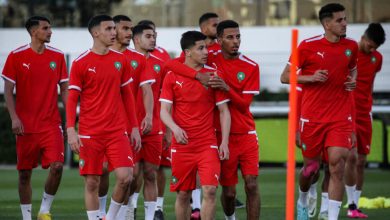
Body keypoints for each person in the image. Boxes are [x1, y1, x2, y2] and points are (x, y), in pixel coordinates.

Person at [164, 20, 261, 220]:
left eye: (238, 37)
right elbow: (169, 64)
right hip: (204, 138)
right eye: (230, 37)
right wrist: (197, 76)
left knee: (249, 184)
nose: (235, 41)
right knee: (226, 192)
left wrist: (226, 87)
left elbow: (241, 106)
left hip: (240, 133)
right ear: (219, 40)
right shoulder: (208, 58)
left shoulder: (249, 66)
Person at [280, 3, 358, 220]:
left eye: (345, 19)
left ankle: (331, 217)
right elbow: (285, 77)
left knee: (337, 166)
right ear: (326, 24)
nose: (345, 24)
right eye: (339, 20)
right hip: (312, 119)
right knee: (311, 170)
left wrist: (352, 80)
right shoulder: (307, 46)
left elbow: (353, 69)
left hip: (339, 118)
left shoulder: (352, 46)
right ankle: (303, 197)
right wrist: (310, 78)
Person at [66, 15, 139, 220]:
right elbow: (72, 100)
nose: (113, 32)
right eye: (108, 29)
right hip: (90, 133)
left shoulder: (121, 60)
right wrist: (71, 130)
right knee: (92, 182)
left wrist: (133, 127)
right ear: (96, 33)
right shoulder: (81, 62)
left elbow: (128, 97)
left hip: (117, 131)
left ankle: (111, 217)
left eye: (114, 29)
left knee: (126, 178)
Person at [160, 30, 231, 220]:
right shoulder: (172, 76)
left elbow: (224, 111)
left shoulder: (213, 75)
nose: (206, 52)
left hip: (207, 143)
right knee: (183, 194)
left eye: (206, 48)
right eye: (200, 48)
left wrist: (224, 142)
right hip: (182, 145)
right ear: (188, 52)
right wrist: (175, 128)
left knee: (209, 191)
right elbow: (163, 112)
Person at [2, 15, 67, 220]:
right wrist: (14, 117)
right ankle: (27, 217)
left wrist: (74, 118)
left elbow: (65, 90)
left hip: (51, 124)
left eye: (50, 27)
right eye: (46, 28)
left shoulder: (58, 56)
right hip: (26, 127)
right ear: (33, 32)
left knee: (57, 167)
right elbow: (8, 91)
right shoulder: (16, 56)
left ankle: (44, 211)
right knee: (24, 174)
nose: (50, 31)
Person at [96, 14, 143, 219]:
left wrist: (136, 124)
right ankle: (100, 212)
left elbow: (136, 94)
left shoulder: (130, 59)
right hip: (98, 127)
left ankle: (122, 213)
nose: (129, 33)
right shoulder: (92, 58)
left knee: (128, 175)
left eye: (130, 29)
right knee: (102, 170)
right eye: (124, 28)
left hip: (122, 128)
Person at [130, 24, 167, 220]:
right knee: (131, 174)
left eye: (154, 36)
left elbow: (167, 98)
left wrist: (167, 129)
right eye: (148, 36)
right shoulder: (125, 61)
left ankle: (150, 216)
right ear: (136, 40)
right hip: (130, 127)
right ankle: (129, 209)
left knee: (151, 174)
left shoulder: (160, 64)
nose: (153, 39)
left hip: (154, 128)